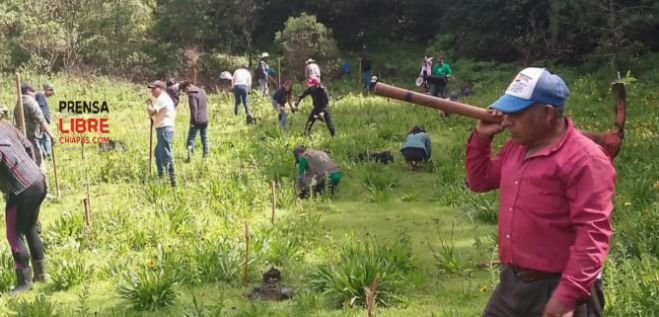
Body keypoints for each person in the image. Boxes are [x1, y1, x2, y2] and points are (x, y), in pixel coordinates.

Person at [465, 67, 617, 317]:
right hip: (513, 284)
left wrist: (567, 297)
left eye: (517, 113)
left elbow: (593, 232)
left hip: (561, 288)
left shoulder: (585, 159)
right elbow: (480, 181)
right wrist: (482, 138)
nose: (507, 120)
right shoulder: (517, 147)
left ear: (547, 113)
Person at [0, 104, 49, 296]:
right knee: (29, 227)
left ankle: (25, 282)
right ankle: (41, 274)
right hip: (38, 180)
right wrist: (29, 167)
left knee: (14, 234)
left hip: (22, 189)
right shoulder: (7, 127)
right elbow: (28, 146)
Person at [14, 83, 54, 174]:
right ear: (28, 91)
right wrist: (51, 134)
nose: (34, 94)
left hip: (22, 138)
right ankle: (42, 184)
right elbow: (41, 119)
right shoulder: (31, 102)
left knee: (28, 161)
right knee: (39, 163)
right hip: (33, 137)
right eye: (33, 91)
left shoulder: (18, 103)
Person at [146, 80, 177, 187]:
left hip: (164, 130)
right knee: (158, 154)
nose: (152, 91)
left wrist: (149, 105)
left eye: (154, 88)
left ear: (161, 89)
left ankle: (172, 182)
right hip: (163, 129)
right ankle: (162, 177)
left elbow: (152, 112)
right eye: (151, 89)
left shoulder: (162, 98)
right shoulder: (163, 99)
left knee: (166, 156)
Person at [180, 81, 210, 161]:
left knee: (191, 139)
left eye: (185, 91)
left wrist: (193, 122)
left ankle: (190, 156)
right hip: (205, 119)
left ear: (187, 87)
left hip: (197, 120)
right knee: (205, 138)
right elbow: (207, 102)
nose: (185, 93)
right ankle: (206, 157)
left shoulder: (191, 95)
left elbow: (194, 110)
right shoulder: (203, 91)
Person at [35, 83, 55, 160]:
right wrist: (43, 122)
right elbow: (41, 110)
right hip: (43, 121)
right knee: (45, 137)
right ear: (47, 90)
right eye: (51, 92)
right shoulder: (40, 96)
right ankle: (47, 154)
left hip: (44, 121)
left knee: (44, 137)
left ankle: (46, 153)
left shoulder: (43, 97)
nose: (51, 94)